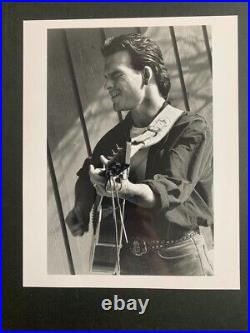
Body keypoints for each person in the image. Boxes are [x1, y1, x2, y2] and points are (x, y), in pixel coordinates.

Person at [66, 33, 213, 276]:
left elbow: (169, 189)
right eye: (105, 78)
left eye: (116, 75)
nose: (107, 85)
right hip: (127, 261)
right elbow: (88, 175)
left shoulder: (189, 128)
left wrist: (122, 189)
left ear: (145, 74)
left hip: (178, 258)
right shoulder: (116, 137)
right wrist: (82, 206)